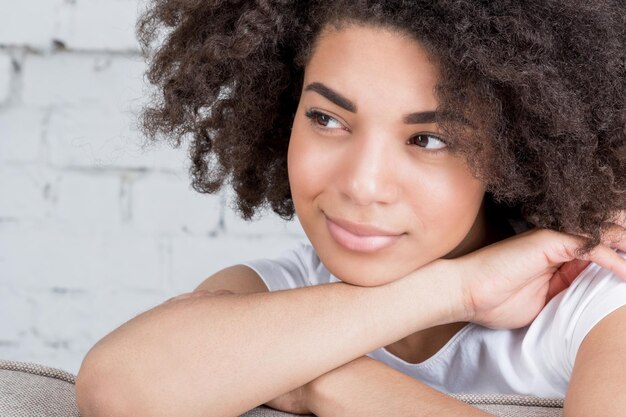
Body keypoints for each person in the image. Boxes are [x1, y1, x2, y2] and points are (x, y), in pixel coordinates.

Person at [75, 1, 626, 416]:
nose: (362, 185)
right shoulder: (278, 289)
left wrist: (313, 378)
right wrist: (456, 290)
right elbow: (117, 385)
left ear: (517, 152)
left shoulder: (596, 308)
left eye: (428, 139)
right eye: (326, 119)